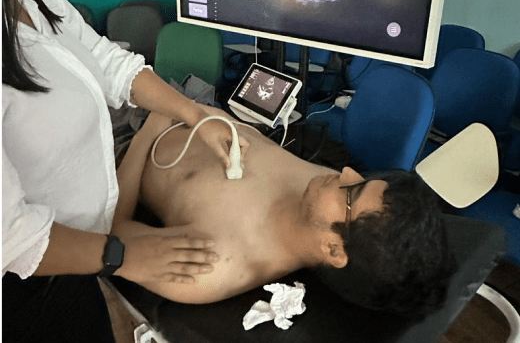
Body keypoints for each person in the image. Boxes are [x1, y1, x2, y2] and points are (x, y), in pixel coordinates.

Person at [1, 0, 248, 341]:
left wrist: (193, 114)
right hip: (29, 286)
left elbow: (108, 63)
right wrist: (124, 254)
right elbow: (9, 238)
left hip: (87, 255)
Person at [112, 106, 456, 320]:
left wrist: (148, 133)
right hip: (183, 108)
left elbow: (111, 239)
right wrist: (187, 110)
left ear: (334, 250)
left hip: (118, 147)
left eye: (352, 191)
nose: (347, 172)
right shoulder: (316, 188)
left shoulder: (216, 263)